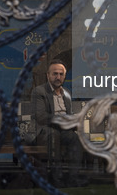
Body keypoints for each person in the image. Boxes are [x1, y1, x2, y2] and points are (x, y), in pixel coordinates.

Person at [32, 59, 86, 187]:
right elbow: (41, 117)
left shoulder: (66, 93)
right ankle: (57, 178)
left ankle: (73, 177)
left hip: (63, 130)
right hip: (44, 130)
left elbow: (68, 113)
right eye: (55, 74)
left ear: (65, 76)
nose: (58, 77)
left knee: (75, 138)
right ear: (48, 75)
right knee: (54, 134)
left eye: (61, 74)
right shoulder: (39, 92)